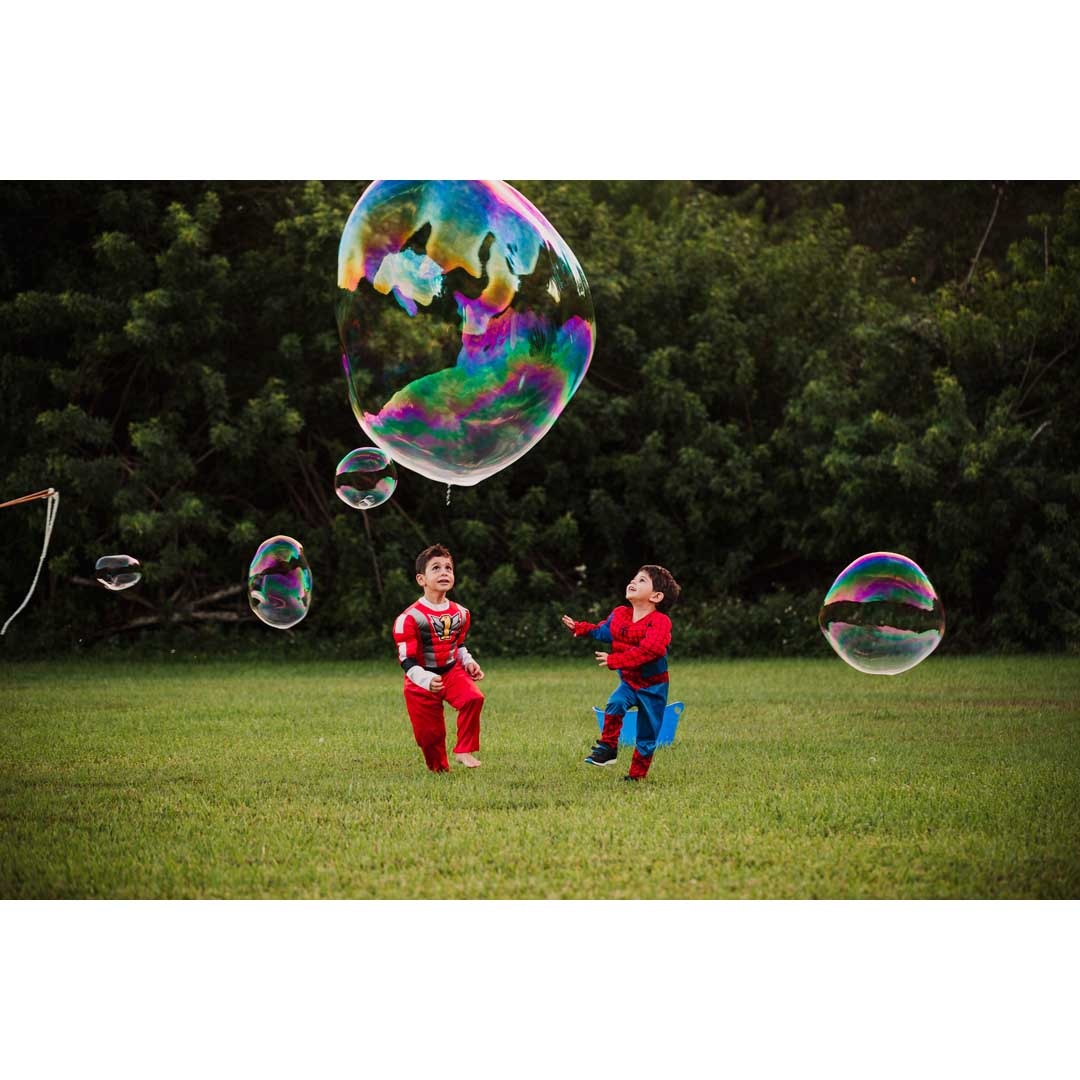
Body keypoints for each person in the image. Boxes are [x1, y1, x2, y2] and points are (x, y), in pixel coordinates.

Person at [562, 565, 681, 781]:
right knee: (615, 703)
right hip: (629, 682)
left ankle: (636, 776)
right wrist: (580, 627)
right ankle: (608, 748)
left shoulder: (660, 622)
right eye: (634, 578)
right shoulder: (620, 614)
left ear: (656, 596)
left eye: (642, 580)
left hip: (654, 687)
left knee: (647, 734)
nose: (633, 581)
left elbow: (650, 650)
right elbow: (603, 631)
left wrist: (615, 660)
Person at [392, 544, 485, 772]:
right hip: (420, 681)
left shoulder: (461, 613)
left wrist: (468, 661)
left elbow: (458, 644)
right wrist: (425, 679)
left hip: (451, 671)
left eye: (448, 568)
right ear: (421, 579)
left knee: (473, 698)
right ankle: (439, 770)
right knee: (429, 735)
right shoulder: (409, 618)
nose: (444, 572)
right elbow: (406, 659)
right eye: (436, 568)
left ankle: (464, 750)